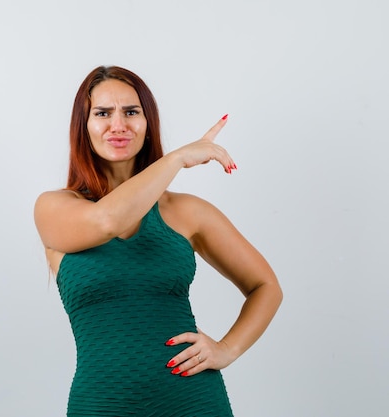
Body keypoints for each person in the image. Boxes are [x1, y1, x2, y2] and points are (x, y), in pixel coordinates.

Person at [34, 65, 283, 416]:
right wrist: (177, 158)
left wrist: (226, 349)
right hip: (101, 405)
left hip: (193, 401)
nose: (118, 125)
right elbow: (107, 220)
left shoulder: (188, 212)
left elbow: (266, 286)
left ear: (148, 122)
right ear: (83, 126)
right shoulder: (54, 208)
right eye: (103, 113)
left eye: (131, 112)